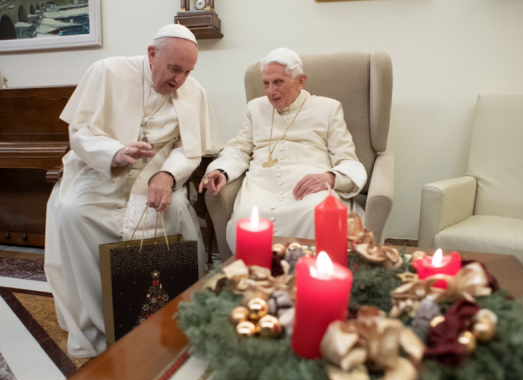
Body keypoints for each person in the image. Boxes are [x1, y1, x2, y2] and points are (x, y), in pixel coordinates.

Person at [44, 24, 222, 358]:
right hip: (99, 171)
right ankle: (102, 323)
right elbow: (80, 132)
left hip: (154, 175)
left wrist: (167, 175)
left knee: (174, 212)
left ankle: (162, 317)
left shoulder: (192, 91)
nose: (180, 80)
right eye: (174, 69)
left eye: (187, 72)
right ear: (152, 54)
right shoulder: (106, 72)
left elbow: (191, 148)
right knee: (71, 212)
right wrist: (114, 152)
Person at [200, 48, 367, 250]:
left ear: (301, 81)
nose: (270, 91)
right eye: (266, 83)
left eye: (278, 82)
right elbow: (239, 149)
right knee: (244, 220)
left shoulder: (328, 109)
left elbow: (348, 159)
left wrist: (329, 178)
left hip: (309, 188)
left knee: (317, 215)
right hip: (260, 186)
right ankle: (254, 280)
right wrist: (222, 171)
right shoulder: (256, 108)